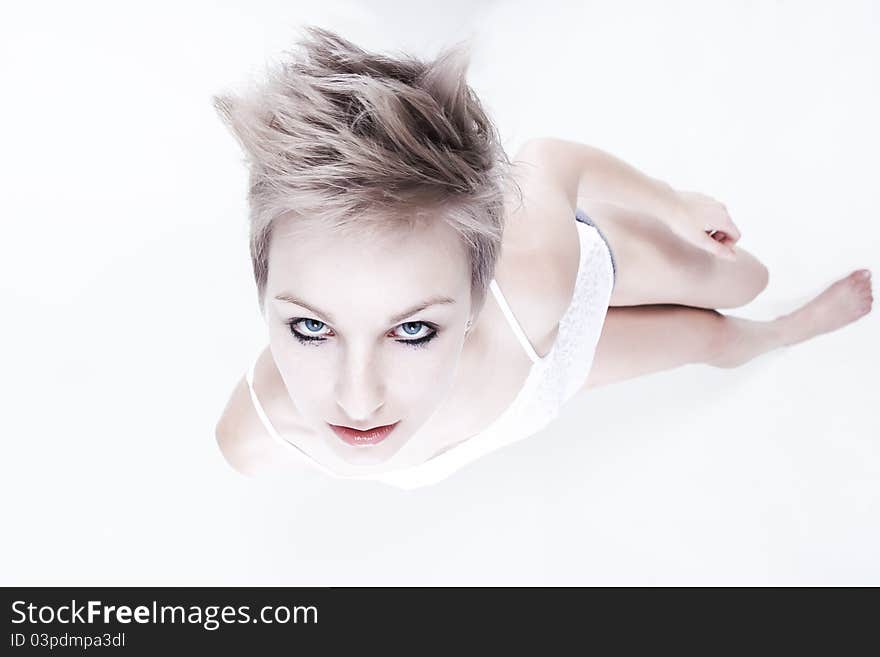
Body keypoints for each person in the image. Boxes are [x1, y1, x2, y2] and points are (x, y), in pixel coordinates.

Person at [212, 26, 873, 489]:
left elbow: (552, 158)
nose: (358, 399)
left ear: (475, 294)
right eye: (310, 327)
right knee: (711, 337)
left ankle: (625, 233)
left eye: (413, 328)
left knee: (743, 279)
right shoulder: (253, 438)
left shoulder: (533, 278)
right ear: (262, 293)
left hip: (566, 285)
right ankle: (790, 330)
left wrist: (674, 205)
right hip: (543, 374)